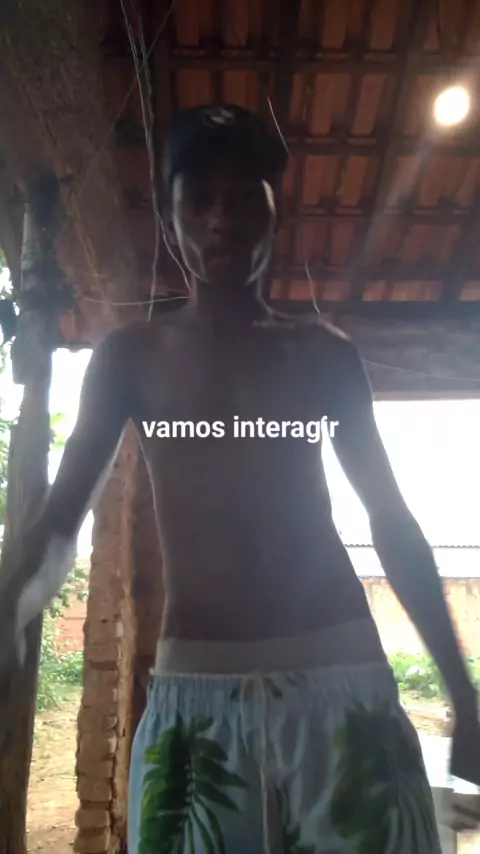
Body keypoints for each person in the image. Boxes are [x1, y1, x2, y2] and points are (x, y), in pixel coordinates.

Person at [1, 103, 479, 853]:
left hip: (341, 682)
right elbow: (60, 523)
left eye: (243, 197)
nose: (221, 219)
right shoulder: (131, 358)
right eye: (199, 199)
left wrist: (463, 692)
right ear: (171, 220)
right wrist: (8, 610)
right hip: (197, 704)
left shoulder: (325, 355)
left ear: (273, 212)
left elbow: (390, 519)